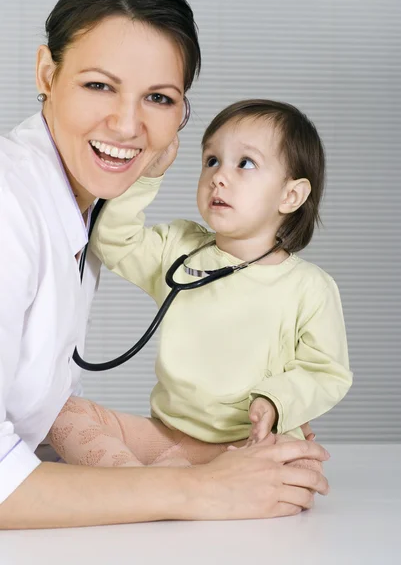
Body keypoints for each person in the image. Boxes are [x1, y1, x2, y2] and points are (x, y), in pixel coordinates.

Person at [0, 0, 331, 530]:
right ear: (47, 74)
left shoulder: (79, 201)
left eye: (158, 98)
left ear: (181, 115)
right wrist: (198, 488)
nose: (128, 125)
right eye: (99, 86)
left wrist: (231, 442)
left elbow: (32, 410)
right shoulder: (10, 205)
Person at [48, 98, 352, 470]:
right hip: (168, 435)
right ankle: (157, 484)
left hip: (250, 442)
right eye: (211, 160)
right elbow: (113, 240)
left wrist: (275, 401)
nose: (219, 176)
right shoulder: (180, 248)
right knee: (58, 414)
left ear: (291, 195)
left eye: (246, 163)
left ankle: (160, 484)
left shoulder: (309, 287)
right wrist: (148, 175)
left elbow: (326, 372)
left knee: (302, 472)